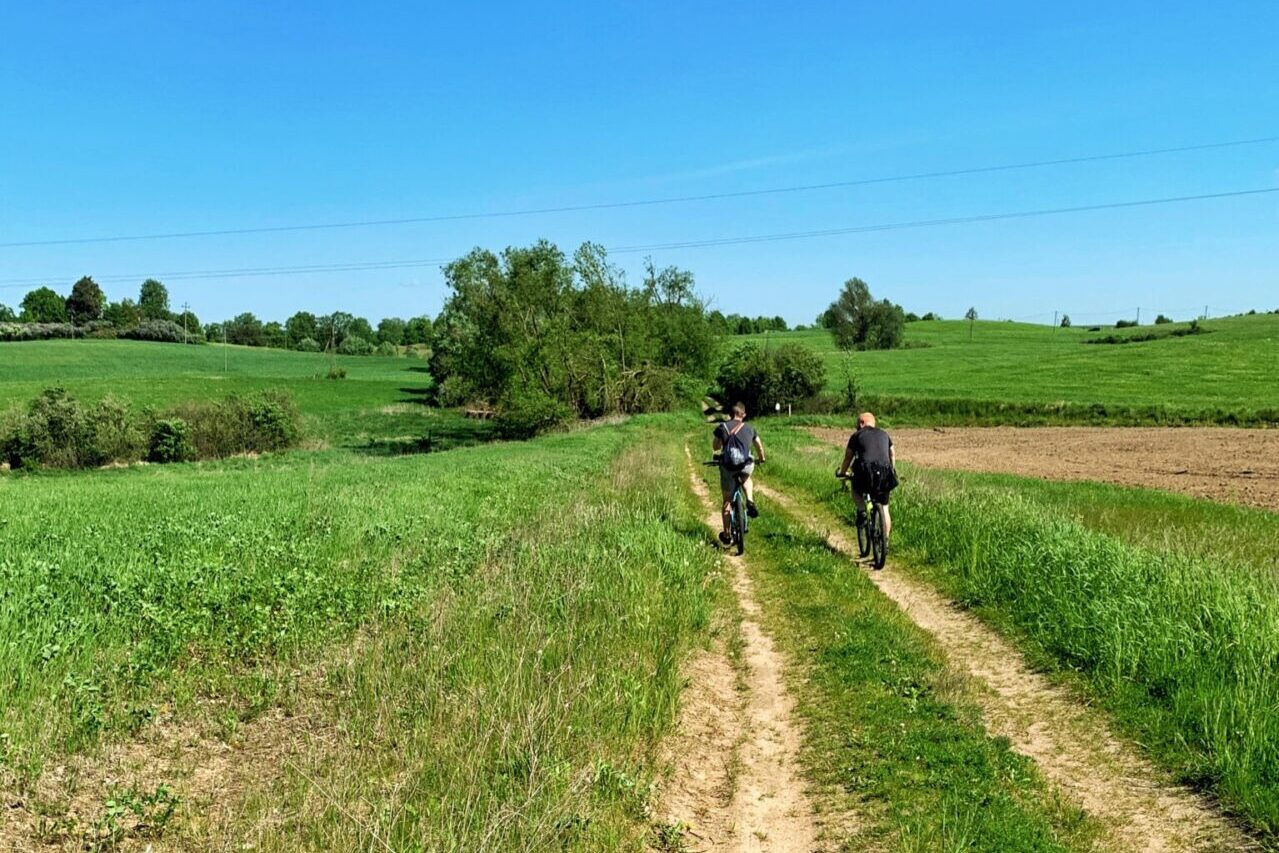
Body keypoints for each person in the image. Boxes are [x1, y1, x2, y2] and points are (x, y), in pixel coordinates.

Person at [836, 411, 897, 540]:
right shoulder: (884, 434)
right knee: (885, 507)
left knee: (856, 489)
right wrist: (892, 469)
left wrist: (842, 472)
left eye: (857, 424)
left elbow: (848, 457)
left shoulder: (857, 435)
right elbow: (892, 453)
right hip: (885, 471)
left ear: (862, 423)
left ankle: (862, 511)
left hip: (865, 471)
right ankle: (884, 541)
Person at [712, 402, 766, 545]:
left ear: (730, 414)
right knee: (746, 478)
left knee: (727, 501)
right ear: (744, 415)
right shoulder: (750, 428)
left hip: (728, 466)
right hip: (745, 465)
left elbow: (715, 446)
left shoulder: (722, 427)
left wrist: (722, 444)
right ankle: (749, 500)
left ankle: (727, 534)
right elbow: (759, 446)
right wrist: (761, 458)